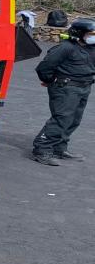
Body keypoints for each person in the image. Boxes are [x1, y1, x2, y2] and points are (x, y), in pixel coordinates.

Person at [31, 17, 95, 166]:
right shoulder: (65, 48)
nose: (93, 37)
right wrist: (49, 81)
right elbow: (44, 67)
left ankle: (59, 148)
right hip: (66, 88)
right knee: (62, 119)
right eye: (90, 34)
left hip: (84, 87)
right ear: (79, 33)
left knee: (74, 120)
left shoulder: (91, 48)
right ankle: (42, 149)